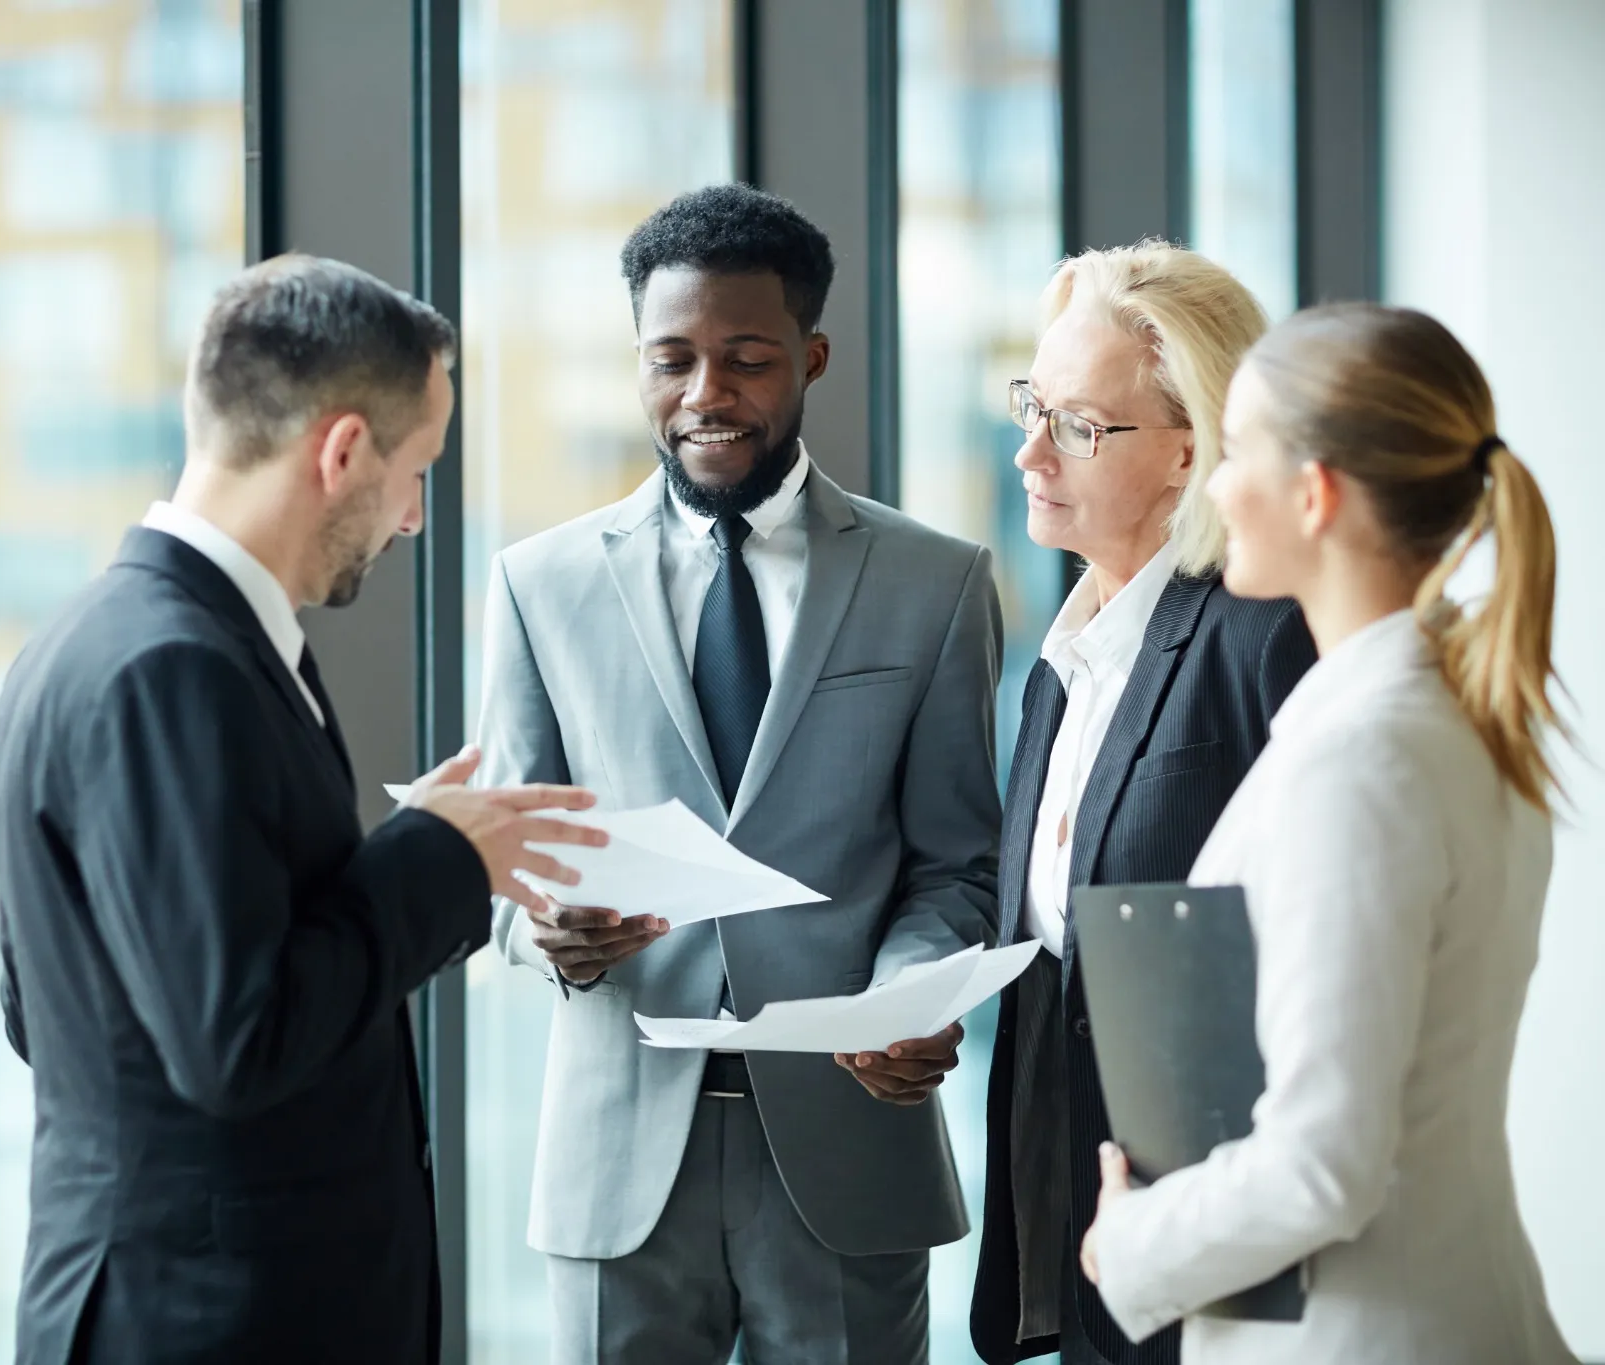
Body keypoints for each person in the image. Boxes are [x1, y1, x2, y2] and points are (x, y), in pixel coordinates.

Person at [0, 255, 607, 1365]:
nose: (413, 519)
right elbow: (235, 1041)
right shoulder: (173, 669)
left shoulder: (97, 640)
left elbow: (45, 1012)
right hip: (209, 1324)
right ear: (342, 451)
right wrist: (435, 860)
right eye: (418, 471)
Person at [477, 182, 1002, 1363]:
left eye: (746, 360)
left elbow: (957, 865)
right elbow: (504, 857)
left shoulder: (934, 582)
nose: (704, 395)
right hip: (616, 1160)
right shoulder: (538, 584)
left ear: (810, 358)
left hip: (846, 1146)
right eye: (670, 360)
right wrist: (543, 928)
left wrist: (907, 995)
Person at [1080, 303, 1577, 1365]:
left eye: (1234, 452)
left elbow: (1322, 1163)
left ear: (1314, 495)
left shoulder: (1362, 756)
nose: (1213, 486)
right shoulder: (1450, 712)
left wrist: (1128, 1243)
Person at [969, 242, 1317, 1365]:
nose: (1028, 451)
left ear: (1189, 450)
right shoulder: (1062, 663)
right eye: (1032, 407)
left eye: (1077, 425)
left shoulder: (1265, 638)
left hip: (1226, 1251)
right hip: (1090, 1240)